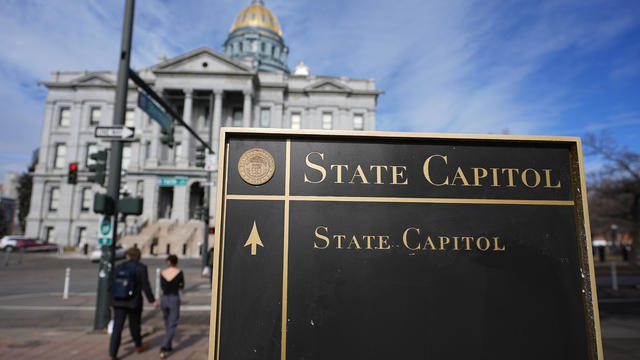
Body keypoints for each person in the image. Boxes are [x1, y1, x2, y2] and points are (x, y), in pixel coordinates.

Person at [109, 247, 157, 360]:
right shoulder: (141, 268)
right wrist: (152, 300)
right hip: (133, 301)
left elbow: (112, 285)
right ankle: (138, 345)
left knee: (117, 328)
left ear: (128, 256)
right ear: (139, 256)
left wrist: (111, 301)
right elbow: (146, 286)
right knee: (134, 325)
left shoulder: (119, 266)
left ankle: (112, 354)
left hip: (118, 300)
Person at [160, 254, 185, 358]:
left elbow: (162, 286)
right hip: (174, 298)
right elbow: (182, 285)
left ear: (168, 262)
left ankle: (168, 344)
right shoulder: (179, 272)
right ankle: (164, 346)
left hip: (164, 298)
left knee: (167, 322)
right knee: (173, 323)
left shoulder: (163, 273)